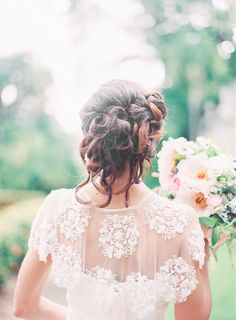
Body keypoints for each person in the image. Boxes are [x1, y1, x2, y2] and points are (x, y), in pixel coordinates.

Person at [13, 79, 211, 320]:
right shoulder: (182, 222)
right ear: (148, 139)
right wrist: (202, 259)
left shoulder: (57, 208)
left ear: (91, 136)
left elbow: (24, 307)